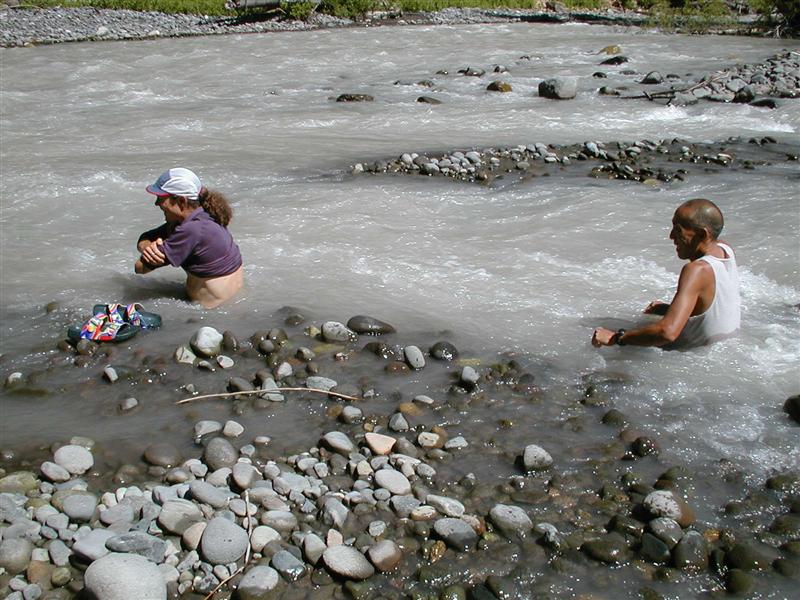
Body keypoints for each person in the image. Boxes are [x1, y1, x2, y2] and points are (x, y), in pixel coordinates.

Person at [592, 198, 740, 350]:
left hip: (692, 359)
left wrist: (617, 337)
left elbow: (667, 333)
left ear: (702, 235)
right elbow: (712, 306)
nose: (671, 236)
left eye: (678, 230)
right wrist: (668, 309)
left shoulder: (697, 270)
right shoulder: (724, 249)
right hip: (725, 349)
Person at [135, 167, 243, 309]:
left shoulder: (192, 230)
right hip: (232, 301)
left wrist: (149, 252)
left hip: (212, 311)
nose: (157, 203)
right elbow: (146, 237)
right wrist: (149, 248)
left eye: (161, 198)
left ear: (181, 200)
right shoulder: (202, 214)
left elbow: (140, 268)